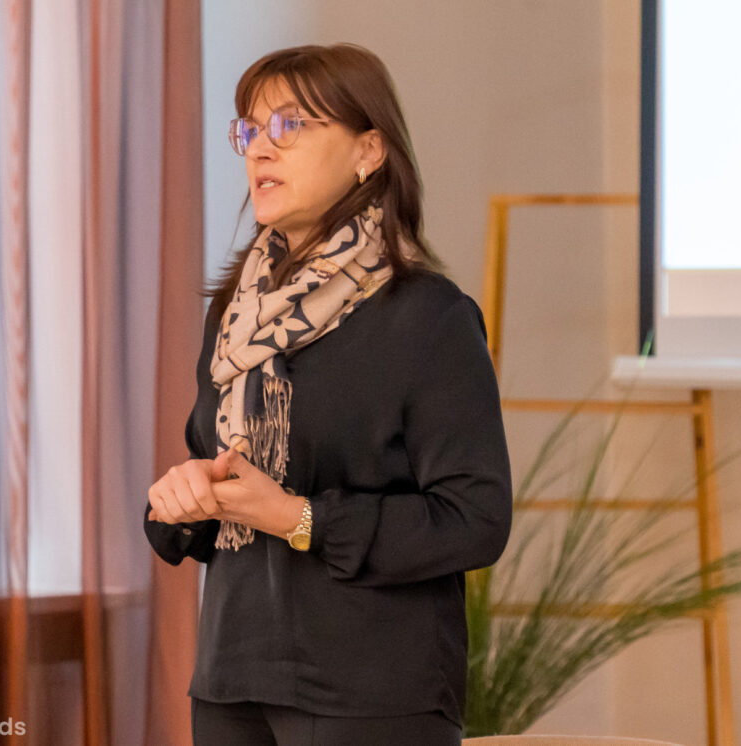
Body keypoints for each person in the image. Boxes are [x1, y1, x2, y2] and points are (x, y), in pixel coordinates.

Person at [144, 43, 512, 746]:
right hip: (230, 682)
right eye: (250, 130)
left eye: (289, 125)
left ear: (368, 150)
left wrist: (301, 518)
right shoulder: (236, 316)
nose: (261, 148)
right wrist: (182, 498)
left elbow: (475, 519)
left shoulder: (427, 317)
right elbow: (215, 472)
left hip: (370, 691)